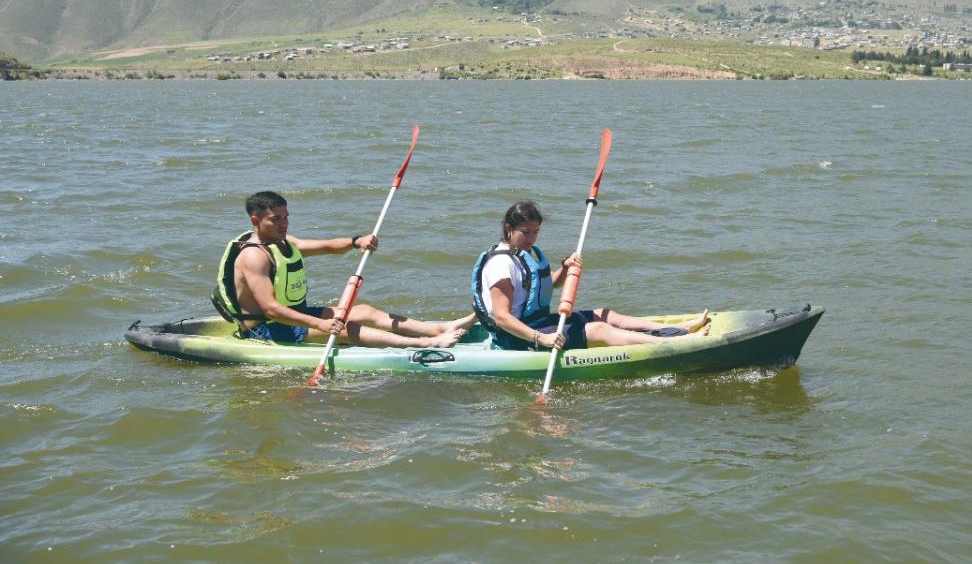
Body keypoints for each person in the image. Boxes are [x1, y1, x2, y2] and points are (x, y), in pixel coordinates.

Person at [213, 191, 474, 347]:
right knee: (347, 328)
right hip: (265, 329)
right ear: (255, 220)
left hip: (293, 315)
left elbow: (325, 246)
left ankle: (440, 328)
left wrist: (355, 242)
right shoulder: (253, 257)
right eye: (276, 219)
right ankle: (426, 343)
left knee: (363, 311)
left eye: (286, 216)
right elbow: (271, 309)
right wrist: (323, 325)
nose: (284, 223)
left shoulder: (282, 242)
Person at [470, 201, 710, 351]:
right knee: (598, 330)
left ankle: (679, 329)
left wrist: (565, 270)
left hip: (536, 322)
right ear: (509, 229)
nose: (532, 238)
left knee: (606, 315)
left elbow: (546, 286)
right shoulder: (502, 264)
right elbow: (502, 318)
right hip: (515, 337)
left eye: (536, 232)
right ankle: (673, 344)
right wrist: (541, 339)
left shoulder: (527, 253)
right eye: (526, 232)